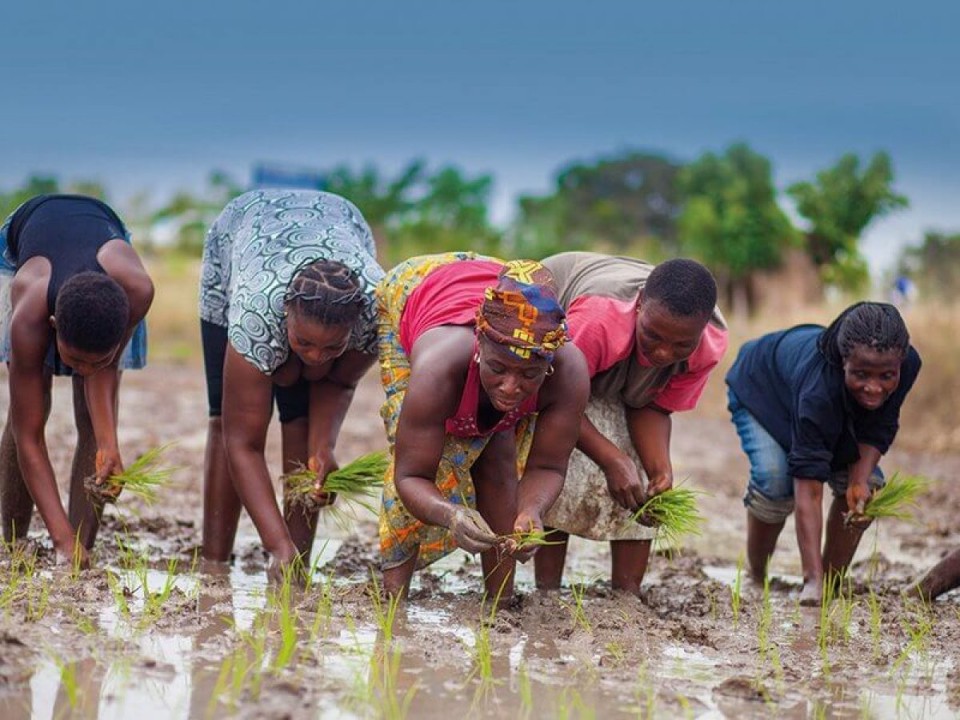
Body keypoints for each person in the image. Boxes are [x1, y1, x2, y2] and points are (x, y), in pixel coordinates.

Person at [377, 252, 588, 599]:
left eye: (529, 375)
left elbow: (548, 466)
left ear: (549, 364)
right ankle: (392, 600)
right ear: (480, 344)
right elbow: (410, 476)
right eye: (497, 368)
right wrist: (450, 514)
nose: (510, 387)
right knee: (439, 456)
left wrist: (531, 510)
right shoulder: (438, 368)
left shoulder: (569, 372)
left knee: (499, 457)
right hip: (414, 288)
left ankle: (500, 599)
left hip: (503, 285)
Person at [199, 189, 384, 578]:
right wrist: (274, 544)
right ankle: (215, 561)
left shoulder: (377, 309)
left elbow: (340, 383)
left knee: (300, 416)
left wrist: (323, 447)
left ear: (353, 327)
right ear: (285, 313)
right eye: (304, 343)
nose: (315, 356)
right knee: (225, 419)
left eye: (331, 347)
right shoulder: (255, 311)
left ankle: (295, 569)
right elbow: (243, 444)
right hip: (245, 228)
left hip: (341, 217)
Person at [531, 252, 728, 596]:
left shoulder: (709, 344)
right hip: (558, 352)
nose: (664, 353)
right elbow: (555, 399)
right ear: (639, 308)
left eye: (681, 344)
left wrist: (660, 471)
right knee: (558, 457)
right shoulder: (598, 320)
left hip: (607, 359)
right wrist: (611, 460)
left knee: (640, 477)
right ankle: (546, 592)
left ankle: (627, 597)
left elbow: (653, 407)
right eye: (654, 336)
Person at [726, 302, 921, 606]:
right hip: (763, 392)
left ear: (900, 363)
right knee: (775, 480)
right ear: (843, 361)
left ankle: (830, 582)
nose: (873, 388)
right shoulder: (819, 389)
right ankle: (758, 573)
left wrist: (858, 480)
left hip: (821, 401)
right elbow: (809, 487)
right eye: (861, 374)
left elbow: (880, 425)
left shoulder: (906, 364)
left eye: (886, 376)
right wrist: (809, 580)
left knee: (867, 488)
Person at [0, 194, 154, 568]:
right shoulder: (30, 312)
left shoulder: (136, 291)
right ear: (53, 327)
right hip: (25, 238)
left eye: (94, 361)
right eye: (74, 360)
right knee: (26, 413)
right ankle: (15, 543)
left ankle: (81, 547)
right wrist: (59, 538)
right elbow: (29, 435)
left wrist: (109, 442)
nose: (84, 371)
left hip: (105, 231)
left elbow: (104, 370)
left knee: (93, 421)